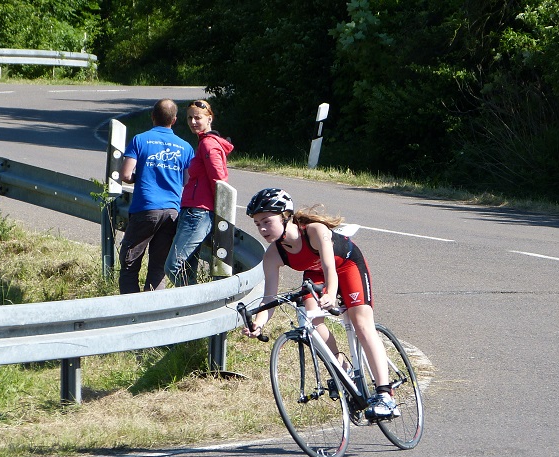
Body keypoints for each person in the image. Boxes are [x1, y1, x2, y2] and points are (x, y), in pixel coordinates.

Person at [242, 188, 398, 420]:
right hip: (315, 275)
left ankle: (386, 395)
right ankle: (344, 370)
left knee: (361, 324)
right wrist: (259, 323)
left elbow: (329, 268)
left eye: (267, 221)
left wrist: (331, 294)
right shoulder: (273, 254)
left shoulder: (315, 231)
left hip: (346, 265)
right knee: (310, 322)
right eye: (257, 224)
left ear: (285, 216)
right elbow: (269, 298)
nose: (262, 229)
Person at [118, 99, 194, 294]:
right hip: (172, 211)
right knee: (158, 268)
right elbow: (187, 180)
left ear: (152, 116)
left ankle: (129, 311)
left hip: (145, 208)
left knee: (130, 262)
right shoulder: (185, 147)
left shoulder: (140, 140)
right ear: (174, 120)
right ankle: (154, 313)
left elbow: (126, 175)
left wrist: (140, 176)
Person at [165, 99, 234, 286]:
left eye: (198, 118)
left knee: (174, 266)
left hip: (199, 213)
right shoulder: (203, 142)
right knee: (187, 268)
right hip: (192, 211)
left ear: (209, 118)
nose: (193, 122)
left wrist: (220, 213)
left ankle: (196, 301)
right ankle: (193, 307)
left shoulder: (208, 145)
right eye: (189, 118)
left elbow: (219, 180)